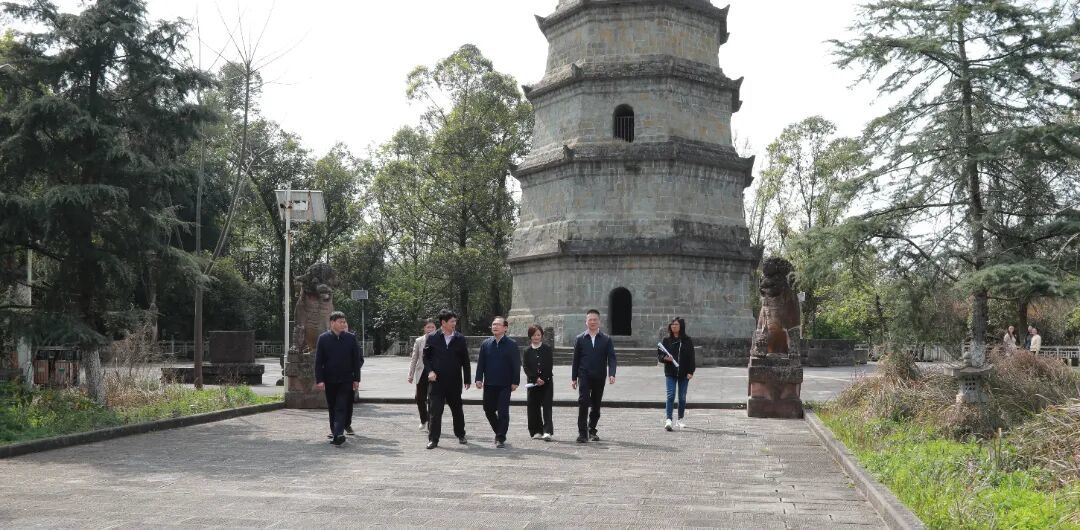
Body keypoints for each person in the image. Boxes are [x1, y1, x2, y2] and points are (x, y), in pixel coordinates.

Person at [422, 309, 471, 449]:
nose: (454, 323)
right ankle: (433, 439)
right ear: (443, 322)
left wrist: (467, 378)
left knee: (457, 410)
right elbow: (425, 357)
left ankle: (461, 434)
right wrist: (430, 371)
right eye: (452, 321)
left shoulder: (460, 338)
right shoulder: (432, 337)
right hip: (436, 382)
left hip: (454, 382)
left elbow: (465, 360)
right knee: (435, 411)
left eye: (455, 321)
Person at [314, 311, 364, 447]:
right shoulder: (323, 338)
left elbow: (356, 360)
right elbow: (318, 361)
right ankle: (336, 433)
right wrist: (320, 380)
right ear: (332, 323)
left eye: (344, 322)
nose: (343, 324)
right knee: (332, 407)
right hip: (329, 379)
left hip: (346, 379)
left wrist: (356, 379)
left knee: (341, 406)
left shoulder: (350, 338)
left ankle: (339, 433)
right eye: (340, 322)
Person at [571, 309, 617, 444]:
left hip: (599, 376)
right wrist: (574, 378)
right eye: (590, 319)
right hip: (584, 376)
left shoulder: (606, 339)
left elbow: (612, 358)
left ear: (599, 322)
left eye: (595, 319)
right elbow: (576, 359)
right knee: (583, 403)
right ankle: (582, 433)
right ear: (586, 322)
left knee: (596, 405)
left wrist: (612, 374)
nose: (592, 322)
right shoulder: (580, 339)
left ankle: (592, 429)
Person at [474, 316, 520, 448]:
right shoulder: (486, 344)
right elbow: (481, 363)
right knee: (488, 410)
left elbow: (516, 364)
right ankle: (499, 431)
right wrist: (478, 378)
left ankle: (500, 437)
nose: (495, 326)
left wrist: (515, 381)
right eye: (493, 324)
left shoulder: (511, 344)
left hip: (505, 384)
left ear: (505, 328)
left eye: (498, 324)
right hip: (489, 383)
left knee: (503, 411)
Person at [657, 317, 695, 431]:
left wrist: (691, 371)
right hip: (670, 372)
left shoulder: (687, 340)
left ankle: (680, 419)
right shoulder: (666, 340)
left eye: (676, 324)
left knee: (682, 397)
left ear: (681, 326)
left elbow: (691, 357)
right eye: (672, 324)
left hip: (684, 373)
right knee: (670, 395)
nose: (674, 326)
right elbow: (659, 356)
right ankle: (668, 419)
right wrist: (665, 359)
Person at [523, 324, 554, 441]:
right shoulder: (527, 351)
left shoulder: (547, 349)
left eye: (538, 335)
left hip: (547, 383)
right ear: (530, 336)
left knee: (546, 407)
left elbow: (549, 365)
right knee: (533, 407)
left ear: (542, 336)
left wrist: (543, 379)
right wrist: (535, 378)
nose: (536, 337)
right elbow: (526, 367)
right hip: (532, 383)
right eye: (534, 335)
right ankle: (536, 431)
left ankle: (547, 431)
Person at [407, 319, 437, 432]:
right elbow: (414, 358)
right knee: (419, 398)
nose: (430, 329)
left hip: (434, 373)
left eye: (432, 327)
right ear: (424, 329)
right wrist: (410, 374)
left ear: (435, 328)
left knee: (433, 399)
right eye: (428, 327)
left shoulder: (439, 340)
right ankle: (423, 419)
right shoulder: (419, 341)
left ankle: (431, 422)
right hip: (421, 372)